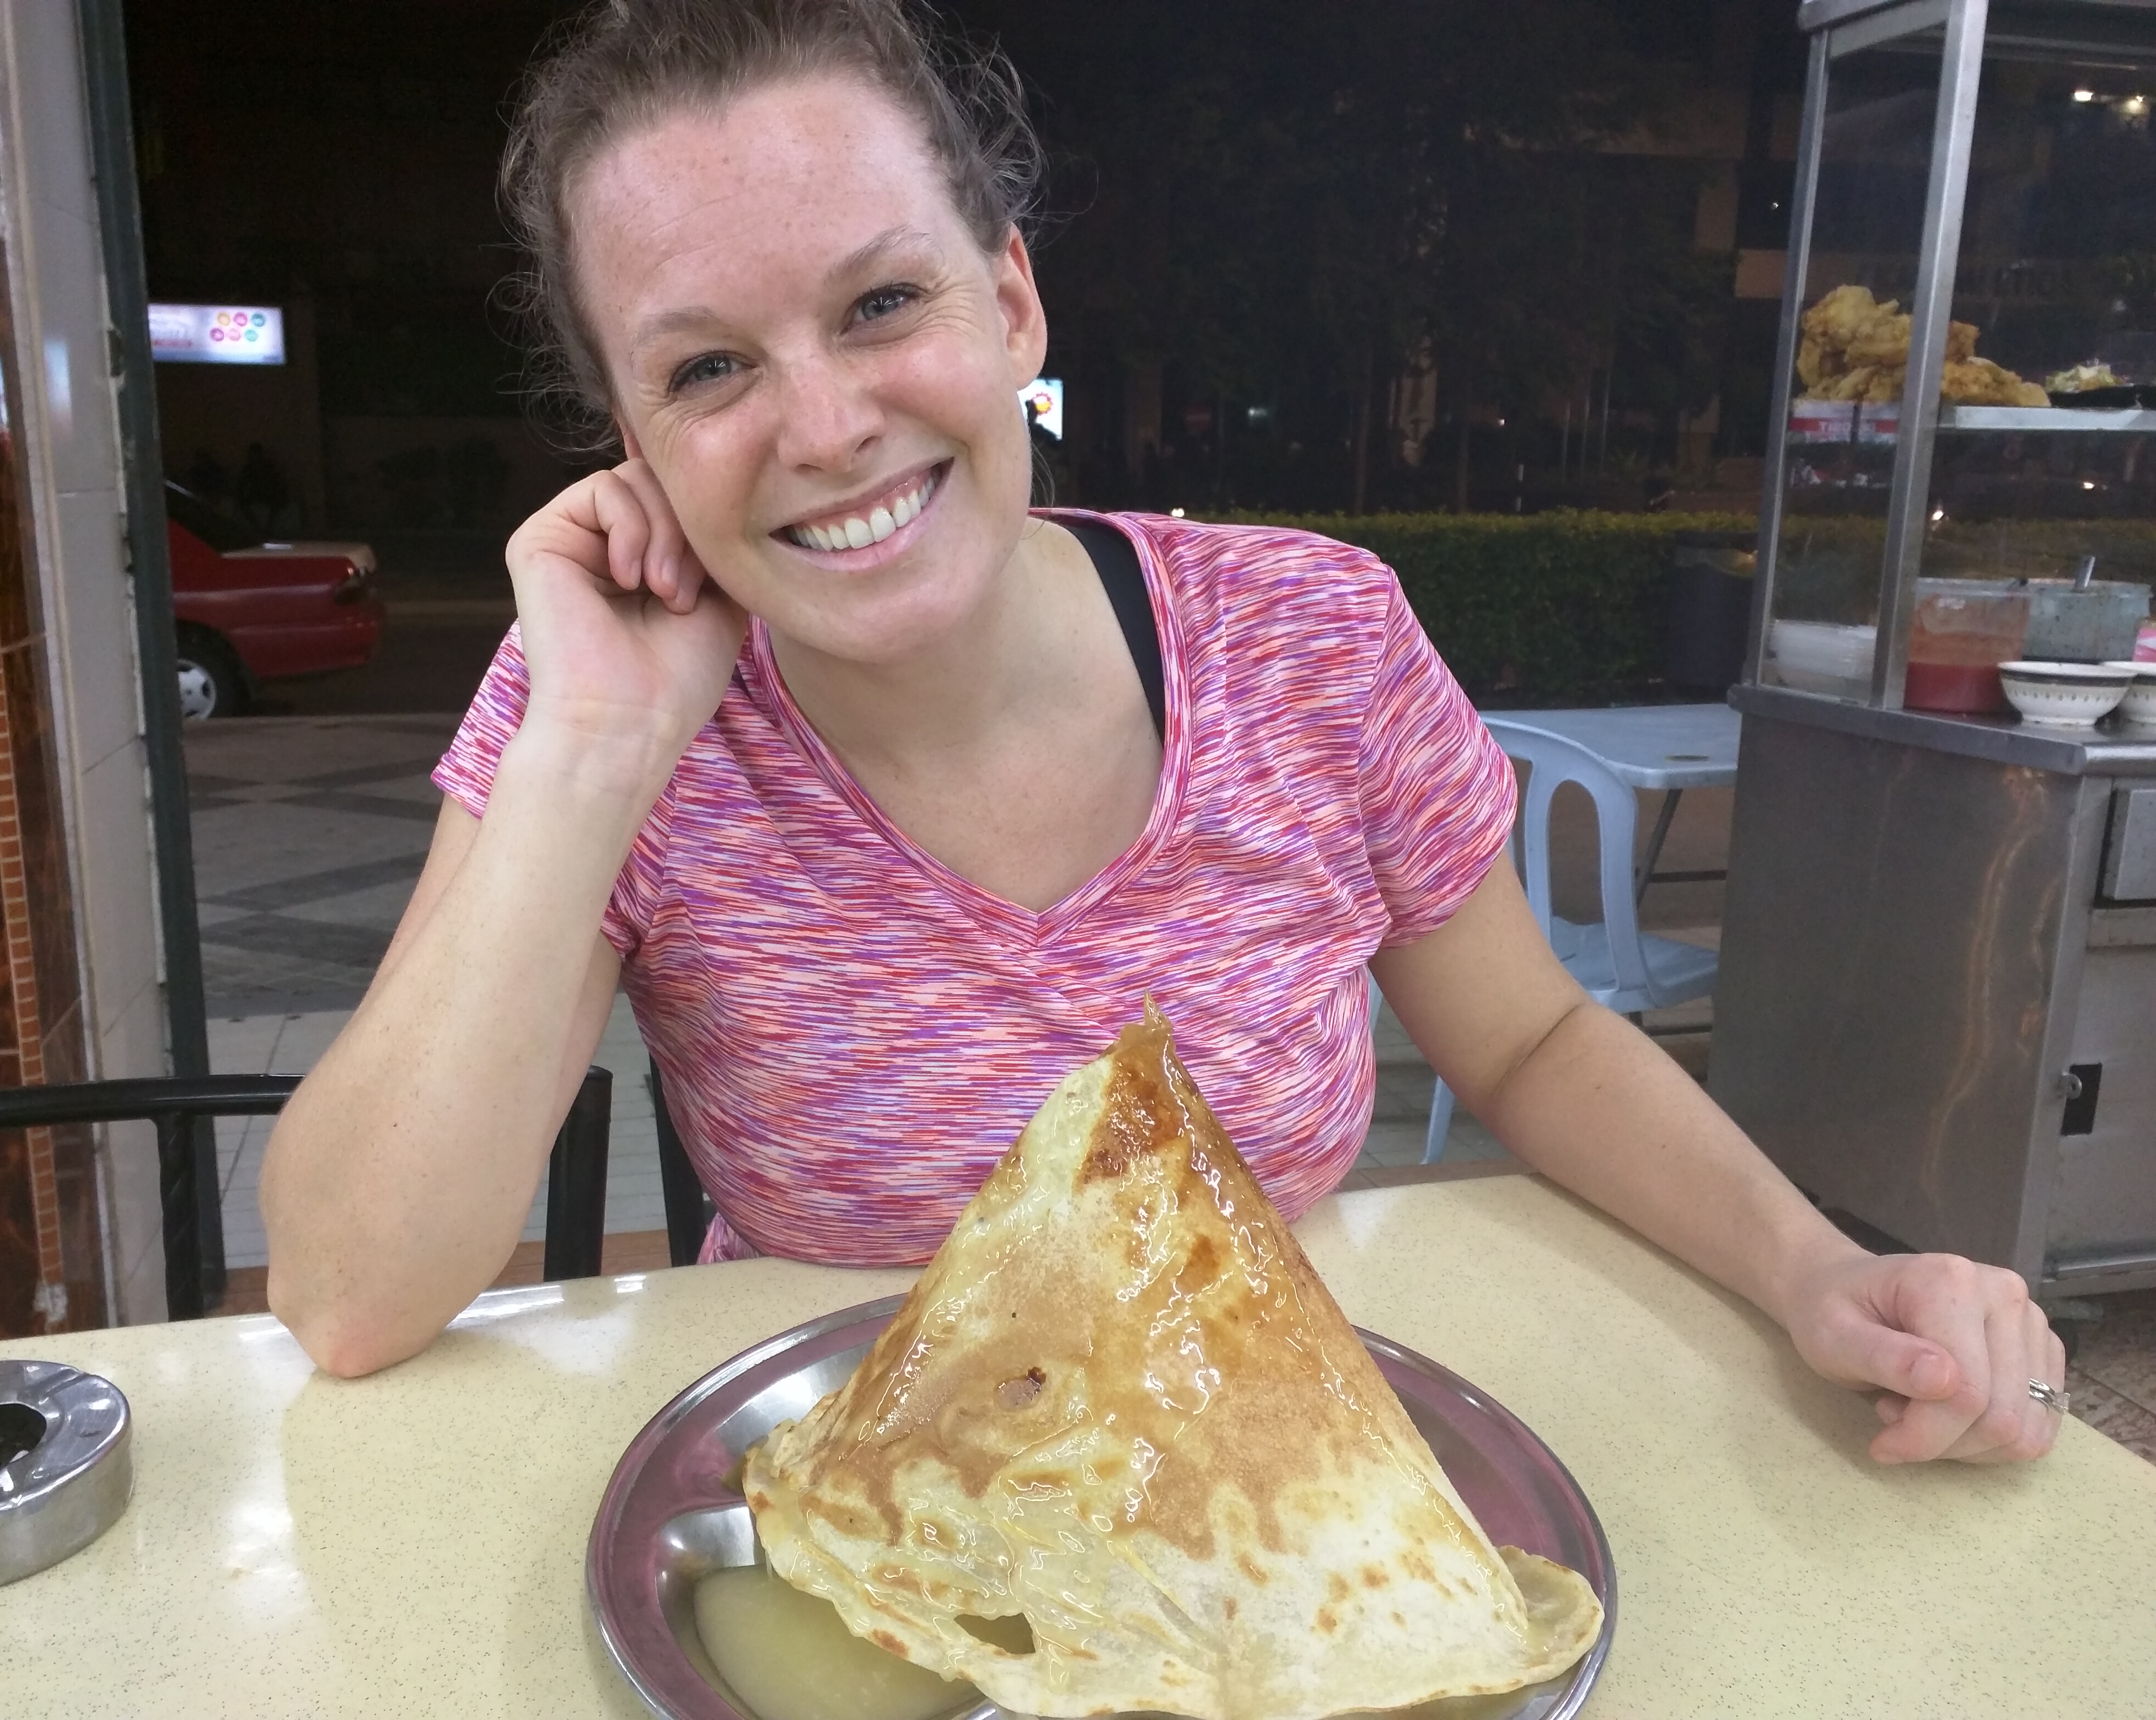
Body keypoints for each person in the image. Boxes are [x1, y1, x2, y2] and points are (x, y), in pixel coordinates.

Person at [261, 0, 2062, 1466]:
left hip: (1264, 1471)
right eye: (705, 368)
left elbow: (1527, 1043)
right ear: (628, 438)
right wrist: (593, 753)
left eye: (881, 304)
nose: (822, 425)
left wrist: (1814, 1272)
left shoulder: (1313, 638)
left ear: (1010, 305)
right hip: (857, 1493)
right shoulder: (604, 706)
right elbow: (348, 1296)